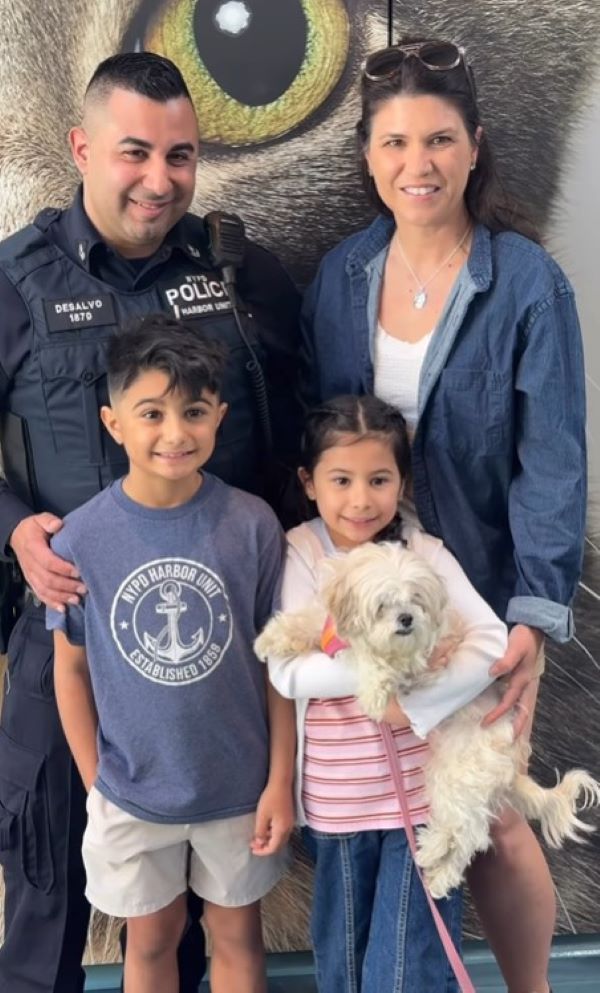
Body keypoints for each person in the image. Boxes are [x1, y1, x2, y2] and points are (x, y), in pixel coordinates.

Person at [0, 52, 300, 993]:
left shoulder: (245, 273)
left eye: (182, 156)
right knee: (50, 863)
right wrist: (14, 528)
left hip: (224, 639)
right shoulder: (14, 283)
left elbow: (305, 423)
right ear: (83, 148)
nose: (160, 180)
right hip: (71, 633)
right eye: (136, 152)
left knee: (222, 898)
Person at [300, 38, 586, 993]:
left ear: (475, 147)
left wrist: (535, 619)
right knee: (384, 812)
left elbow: (553, 463)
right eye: (392, 143)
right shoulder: (340, 278)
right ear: (369, 156)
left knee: (493, 816)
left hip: (473, 605)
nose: (415, 165)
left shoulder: (527, 285)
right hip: (368, 603)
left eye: (438, 140)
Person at [46, 315, 295, 993]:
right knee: (151, 942)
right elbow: (70, 666)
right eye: (151, 412)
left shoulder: (252, 525)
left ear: (219, 414)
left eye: (193, 411)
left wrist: (279, 779)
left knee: (238, 936)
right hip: (132, 791)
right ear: (113, 421)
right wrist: (99, 776)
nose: (175, 432)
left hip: (238, 787)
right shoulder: (80, 540)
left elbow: (280, 665)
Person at [265, 394, 508, 993]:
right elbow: (288, 670)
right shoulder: (302, 552)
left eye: (379, 479)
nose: (360, 498)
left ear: (401, 483)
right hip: (338, 801)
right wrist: (396, 662)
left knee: (404, 970)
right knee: (344, 963)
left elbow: (490, 644)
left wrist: (415, 701)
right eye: (341, 480)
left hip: (421, 804)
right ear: (310, 482)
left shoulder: (425, 554)